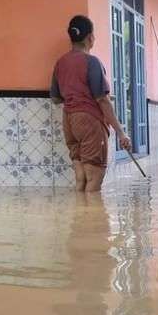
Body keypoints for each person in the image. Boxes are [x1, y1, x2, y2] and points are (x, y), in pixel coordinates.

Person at [51, 15, 132, 192]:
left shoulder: (60, 63)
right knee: (94, 180)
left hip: (69, 121)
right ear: (90, 38)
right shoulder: (92, 62)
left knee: (81, 178)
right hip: (90, 122)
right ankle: (91, 219)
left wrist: (74, 93)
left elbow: (56, 98)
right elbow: (102, 99)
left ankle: (80, 218)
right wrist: (121, 133)